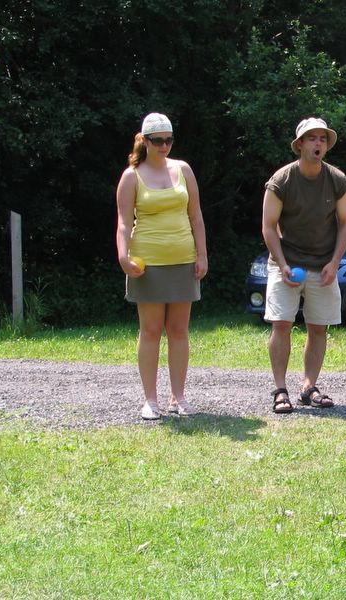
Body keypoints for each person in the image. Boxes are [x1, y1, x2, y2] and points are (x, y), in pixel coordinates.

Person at [115, 112, 208, 420]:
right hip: (148, 263)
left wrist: (202, 255)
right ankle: (150, 400)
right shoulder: (132, 176)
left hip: (183, 258)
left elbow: (196, 216)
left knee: (179, 330)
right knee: (151, 331)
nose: (164, 146)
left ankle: (178, 397)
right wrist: (123, 256)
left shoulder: (183, 169)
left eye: (169, 140)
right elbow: (123, 222)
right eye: (157, 141)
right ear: (145, 141)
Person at [261, 117, 346, 413]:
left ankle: (308, 387)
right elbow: (268, 226)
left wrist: (334, 263)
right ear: (299, 144)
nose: (318, 143)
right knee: (282, 324)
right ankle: (280, 390)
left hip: (323, 263)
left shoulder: (337, 180)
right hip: (286, 262)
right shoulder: (282, 180)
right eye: (312, 138)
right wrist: (282, 265)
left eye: (322, 139)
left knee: (318, 328)